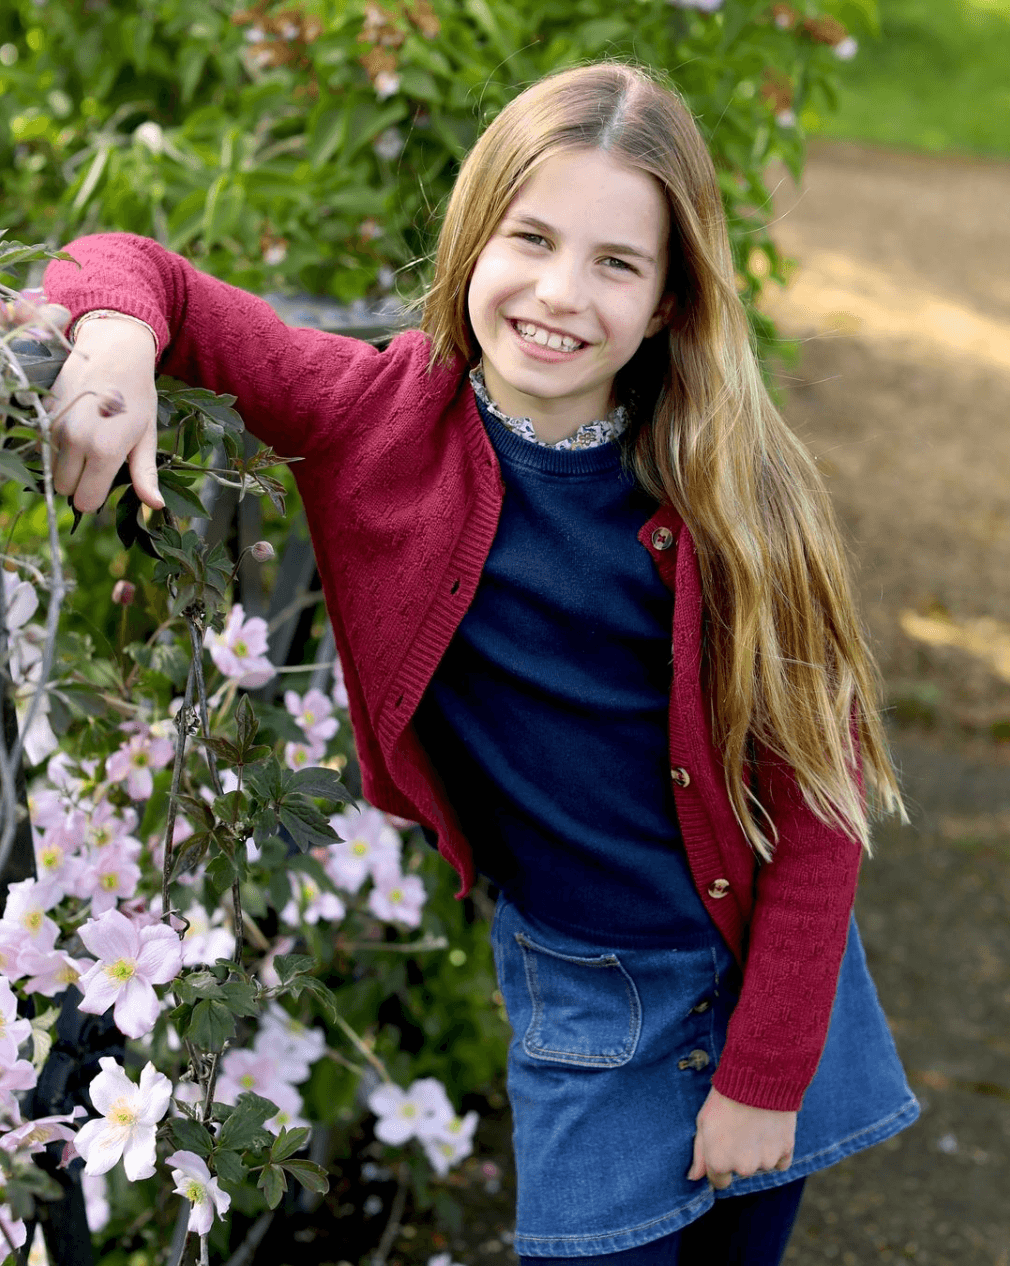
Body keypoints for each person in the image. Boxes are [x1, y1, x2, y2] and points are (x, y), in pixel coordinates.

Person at [42, 59, 919, 1266]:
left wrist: (764, 1072)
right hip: (584, 997)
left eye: (615, 264)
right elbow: (140, 267)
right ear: (474, 236)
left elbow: (818, 799)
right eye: (532, 239)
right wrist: (111, 345)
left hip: (770, 978)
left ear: (668, 301)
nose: (559, 294)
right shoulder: (371, 418)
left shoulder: (731, 492)